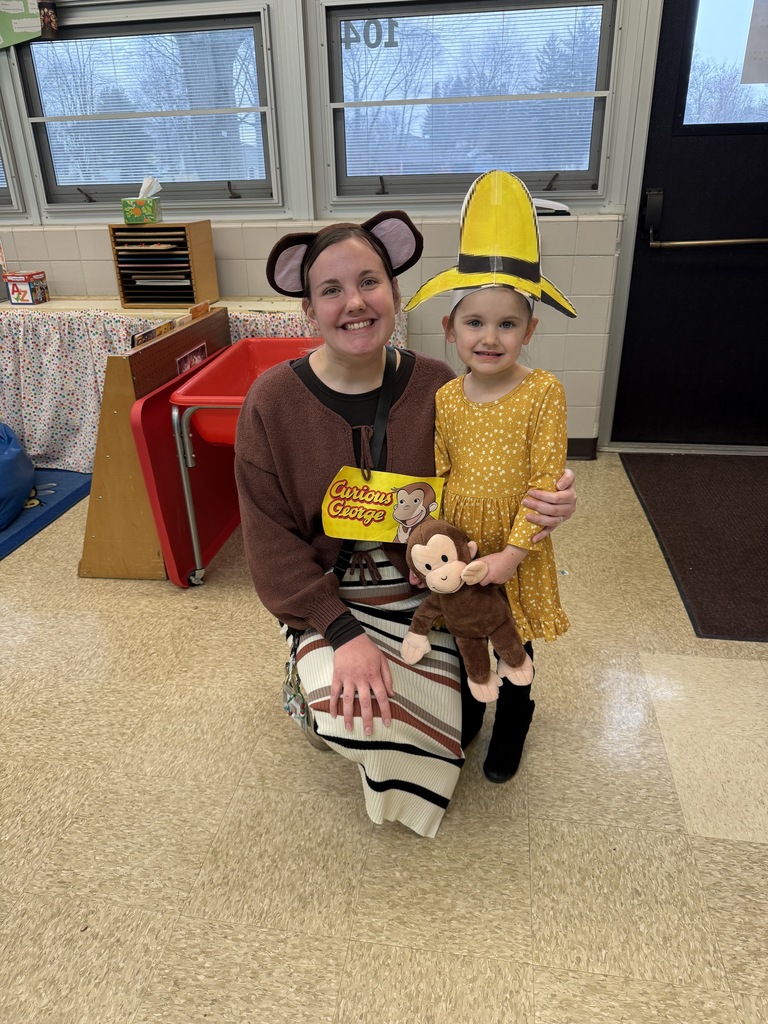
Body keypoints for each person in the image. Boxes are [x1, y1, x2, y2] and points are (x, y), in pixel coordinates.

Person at [234, 207, 576, 838]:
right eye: (330, 290)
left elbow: (492, 479)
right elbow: (270, 543)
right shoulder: (271, 403)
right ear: (308, 310)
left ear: (395, 292)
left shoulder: (441, 386)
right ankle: (305, 680)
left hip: (429, 586)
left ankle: (430, 709)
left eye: (369, 281)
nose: (354, 302)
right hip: (329, 596)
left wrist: (552, 502)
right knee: (357, 712)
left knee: (461, 716)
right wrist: (340, 633)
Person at [404, 169, 575, 784]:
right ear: (451, 330)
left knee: (514, 640)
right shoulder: (447, 398)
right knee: (464, 632)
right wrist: (431, 535)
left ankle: (514, 724)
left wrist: (511, 557)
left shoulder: (543, 393)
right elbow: (442, 475)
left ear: (530, 331)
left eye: (507, 324)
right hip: (463, 545)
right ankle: (474, 708)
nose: (490, 336)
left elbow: (547, 483)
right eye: (474, 322)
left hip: (514, 549)